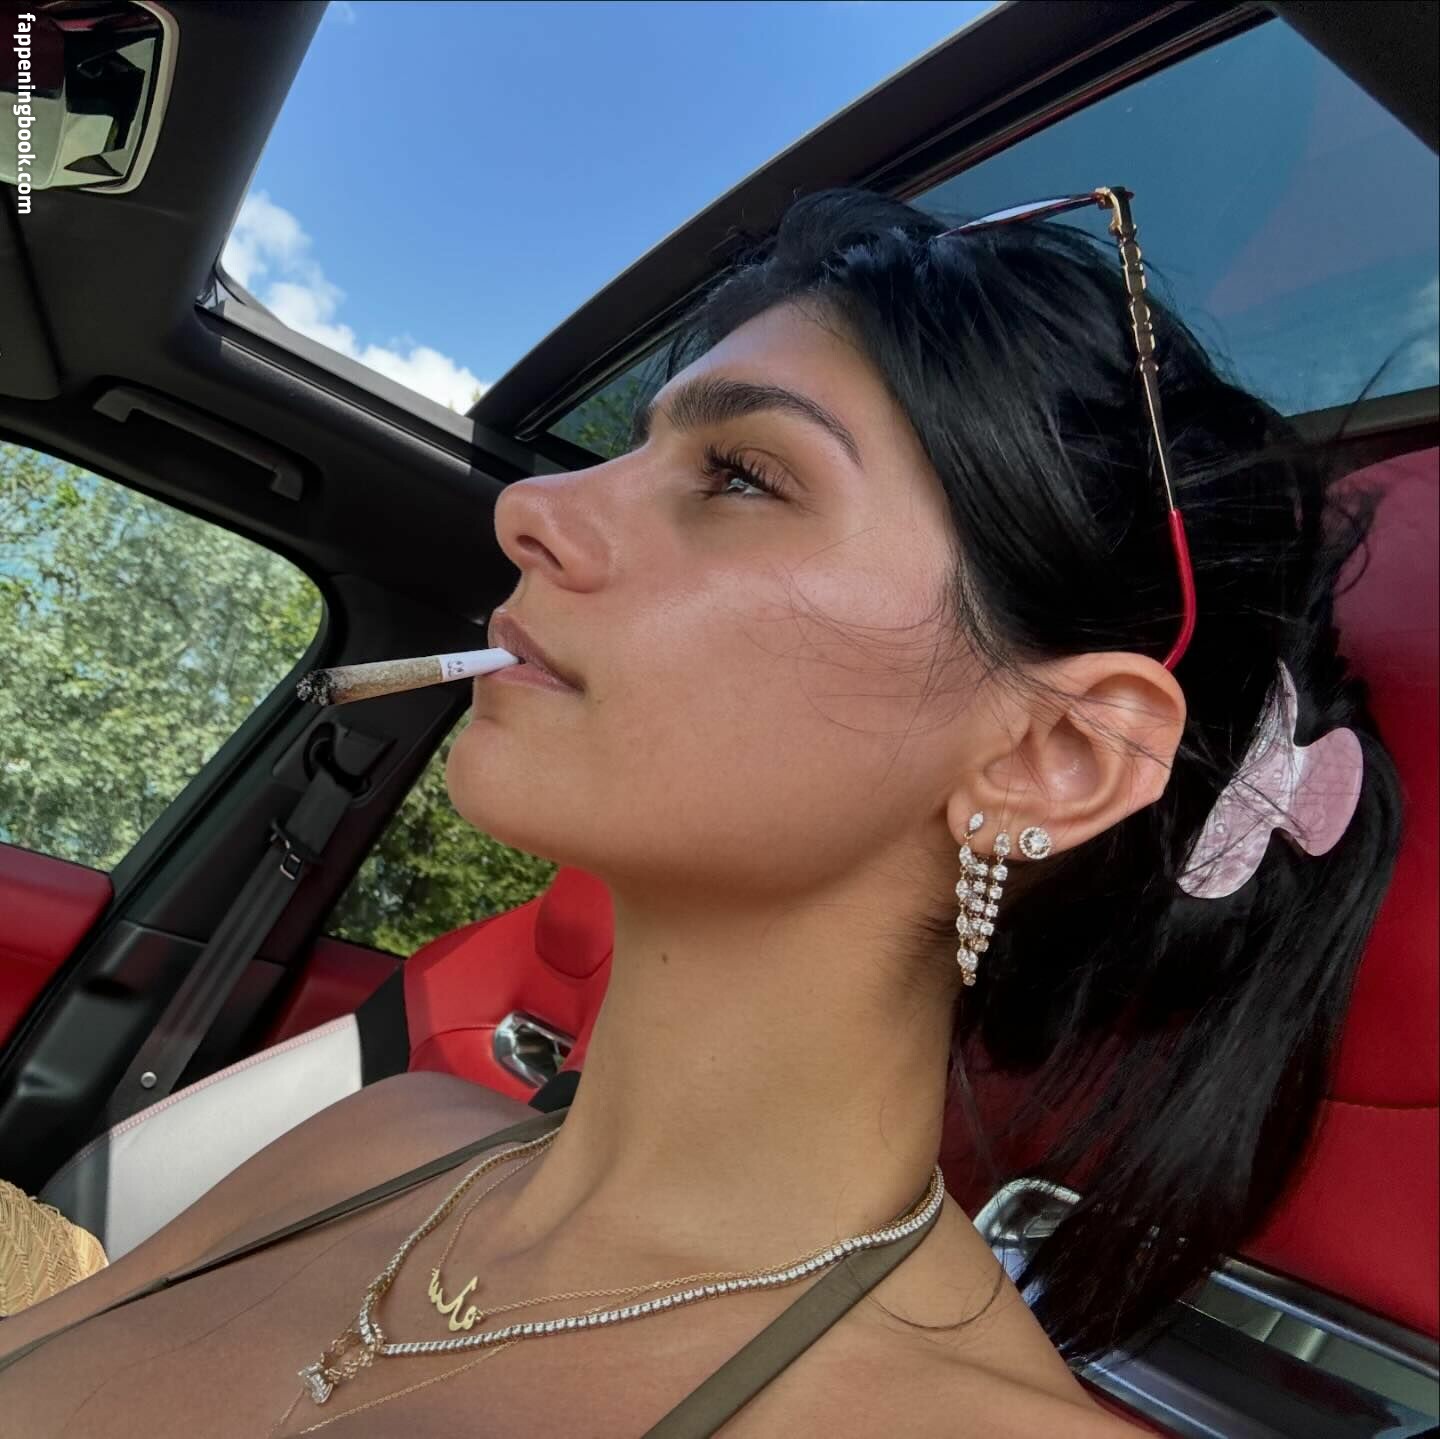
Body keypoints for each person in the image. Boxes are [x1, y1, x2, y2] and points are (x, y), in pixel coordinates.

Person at [0, 187, 1400, 1437]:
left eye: (742, 477)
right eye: (639, 448)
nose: (531, 508)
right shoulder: (380, 1139)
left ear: (1056, 758)